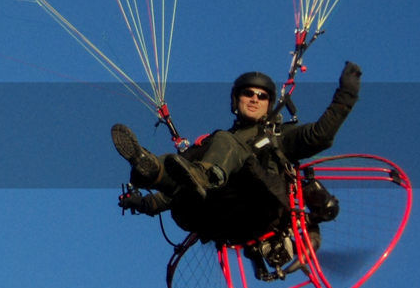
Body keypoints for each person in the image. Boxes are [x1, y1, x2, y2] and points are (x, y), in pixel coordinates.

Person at [112, 62, 362, 251]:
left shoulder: (280, 136)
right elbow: (174, 191)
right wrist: (143, 204)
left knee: (221, 145)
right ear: (236, 100)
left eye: (261, 95)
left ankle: (202, 175)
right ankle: (151, 169)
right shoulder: (215, 143)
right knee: (185, 161)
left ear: (269, 102)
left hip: (259, 205)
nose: (254, 98)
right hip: (213, 216)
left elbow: (321, 135)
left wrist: (347, 95)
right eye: (248, 93)